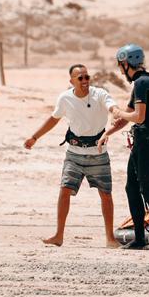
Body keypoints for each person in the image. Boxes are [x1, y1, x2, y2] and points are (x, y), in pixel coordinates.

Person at [24, 64, 119, 247]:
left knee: (105, 194)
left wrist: (116, 113)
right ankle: (58, 236)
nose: (84, 81)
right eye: (80, 78)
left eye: (87, 77)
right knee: (65, 190)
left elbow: (112, 106)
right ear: (72, 81)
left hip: (98, 154)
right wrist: (35, 137)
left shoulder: (99, 94)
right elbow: (54, 119)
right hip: (74, 153)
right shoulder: (65, 98)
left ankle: (110, 238)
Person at [108, 43, 149, 250]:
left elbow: (137, 116)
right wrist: (106, 134)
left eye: (121, 66)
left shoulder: (142, 83)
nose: (120, 70)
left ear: (127, 63)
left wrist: (118, 113)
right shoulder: (143, 82)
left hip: (148, 140)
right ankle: (140, 239)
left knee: (147, 190)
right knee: (132, 187)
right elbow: (128, 115)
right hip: (144, 139)